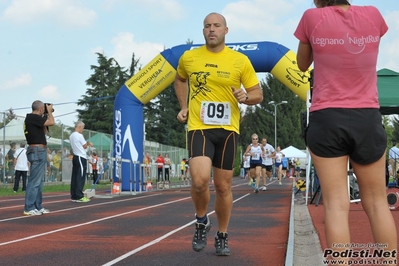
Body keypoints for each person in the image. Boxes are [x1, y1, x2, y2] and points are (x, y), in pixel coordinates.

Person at [295, 0, 397, 262]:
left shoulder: (311, 17)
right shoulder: (373, 15)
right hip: (366, 116)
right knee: (376, 203)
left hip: (327, 116)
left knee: (336, 206)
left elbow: (303, 64)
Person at [174, 12, 263, 256]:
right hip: (199, 127)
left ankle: (222, 234)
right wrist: (184, 106)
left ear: (226, 30)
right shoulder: (189, 57)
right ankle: (202, 220)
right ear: (203, 31)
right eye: (207, 26)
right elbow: (179, 79)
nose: (211, 29)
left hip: (228, 132)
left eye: (216, 26)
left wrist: (247, 97)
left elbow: (258, 93)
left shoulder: (239, 61)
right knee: (200, 180)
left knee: (223, 187)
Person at [23, 100, 55, 216]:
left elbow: (45, 130)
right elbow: (51, 122)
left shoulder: (33, 119)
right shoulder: (33, 117)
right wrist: (50, 112)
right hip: (36, 150)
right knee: (34, 181)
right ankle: (29, 207)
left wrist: (46, 114)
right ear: (41, 109)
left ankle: (37, 205)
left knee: (39, 181)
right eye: (44, 109)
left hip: (38, 150)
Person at [69, 121, 93, 203]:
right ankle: (79, 196)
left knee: (75, 176)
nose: (83, 129)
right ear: (79, 127)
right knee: (80, 176)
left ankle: (74, 195)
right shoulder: (79, 135)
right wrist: (88, 143)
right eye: (82, 127)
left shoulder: (71, 135)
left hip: (75, 156)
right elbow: (84, 146)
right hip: (80, 156)